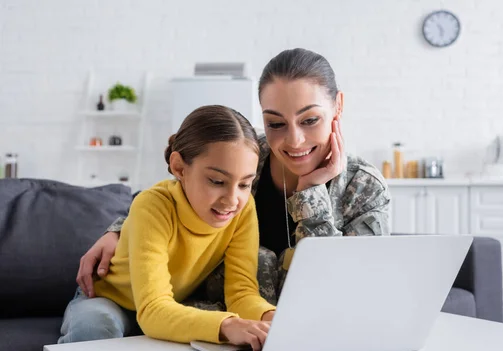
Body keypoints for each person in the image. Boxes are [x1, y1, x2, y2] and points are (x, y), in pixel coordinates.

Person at [76, 48, 391, 307]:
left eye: (310, 120)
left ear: (338, 106)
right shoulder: (246, 154)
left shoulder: (363, 188)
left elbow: (347, 290)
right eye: (275, 123)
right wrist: (117, 232)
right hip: (215, 321)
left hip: (311, 332)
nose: (294, 141)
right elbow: (174, 193)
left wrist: (311, 192)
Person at [58, 105, 275, 351]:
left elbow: (242, 293)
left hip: (166, 307)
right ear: (179, 168)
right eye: (217, 181)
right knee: (94, 329)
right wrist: (227, 325)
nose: (232, 199)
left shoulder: (243, 209)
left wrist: (273, 319)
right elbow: (153, 310)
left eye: (245, 184)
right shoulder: (152, 205)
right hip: (109, 299)